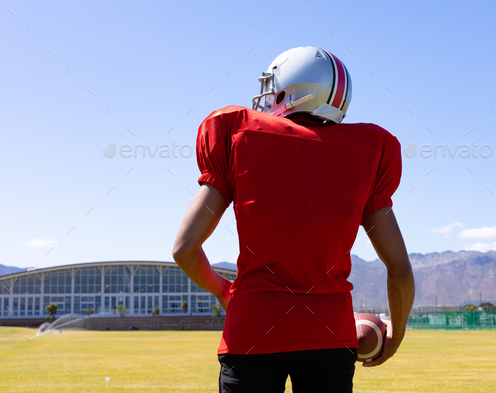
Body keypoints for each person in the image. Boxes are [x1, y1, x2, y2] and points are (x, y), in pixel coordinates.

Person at [173, 46, 415, 393]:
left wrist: (224, 290)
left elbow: (184, 250)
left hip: (253, 330)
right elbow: (400, 270)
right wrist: (396, 333)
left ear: (294, 88)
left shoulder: (239, 135)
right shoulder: (370, 151)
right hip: (329, 334)